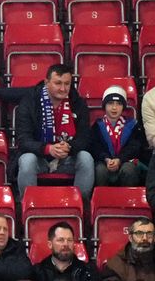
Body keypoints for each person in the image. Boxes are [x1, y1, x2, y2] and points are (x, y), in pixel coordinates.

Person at [15, 64, 96, 196]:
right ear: (47, 82)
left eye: (67, 84)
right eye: (58, 83)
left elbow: (85, 138)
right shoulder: (30, 102)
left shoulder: (78, 103)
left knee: (86, 158)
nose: (63, 88)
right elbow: (23, 140)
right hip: (39, 157)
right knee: (27, 160)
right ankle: (28, 205)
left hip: (67, 157)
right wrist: (48, 149)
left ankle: (80, 206)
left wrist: (69, 147)